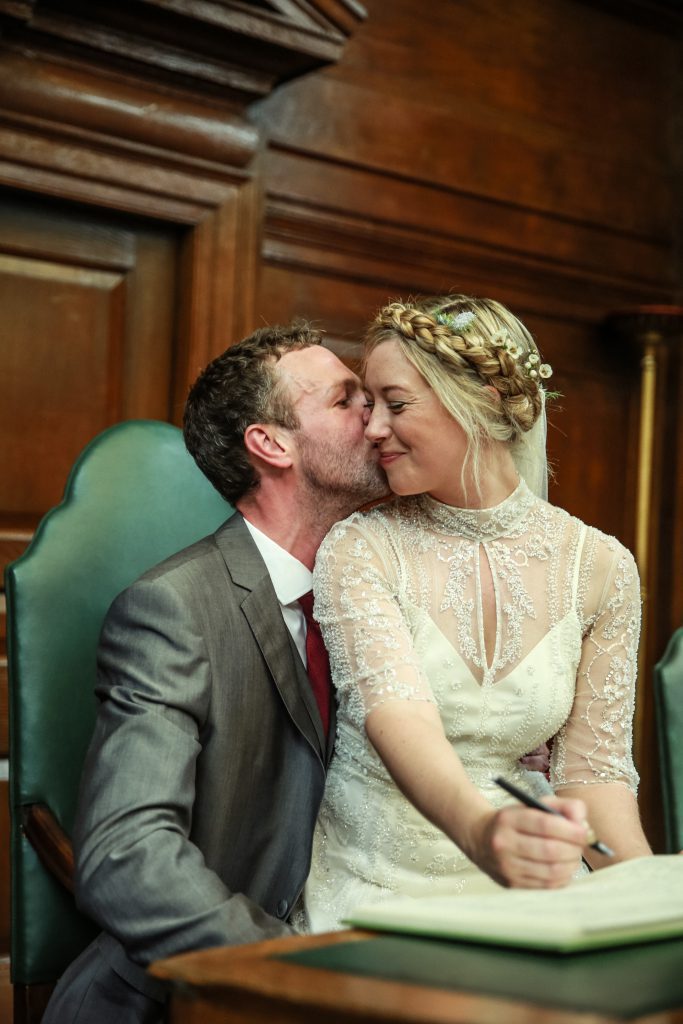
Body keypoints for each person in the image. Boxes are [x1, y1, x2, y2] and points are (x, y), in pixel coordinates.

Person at [43, 321, 387, 1024]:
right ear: (271, 444)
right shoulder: (172, 610)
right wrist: (299, 975)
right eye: (347, 398)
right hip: (190, 1001)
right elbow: (126, 856)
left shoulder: (382, 597)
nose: (375, 417)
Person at [302, 295, 652, 934]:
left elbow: (592, 777)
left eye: (396, 403)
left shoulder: (601, 568)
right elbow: (397, 719)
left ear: (487, 399)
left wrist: (648, 904)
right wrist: (482, 831)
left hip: (536, 883)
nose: (373, 426)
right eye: (368, 404)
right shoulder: (361, 547)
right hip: (381, 886)